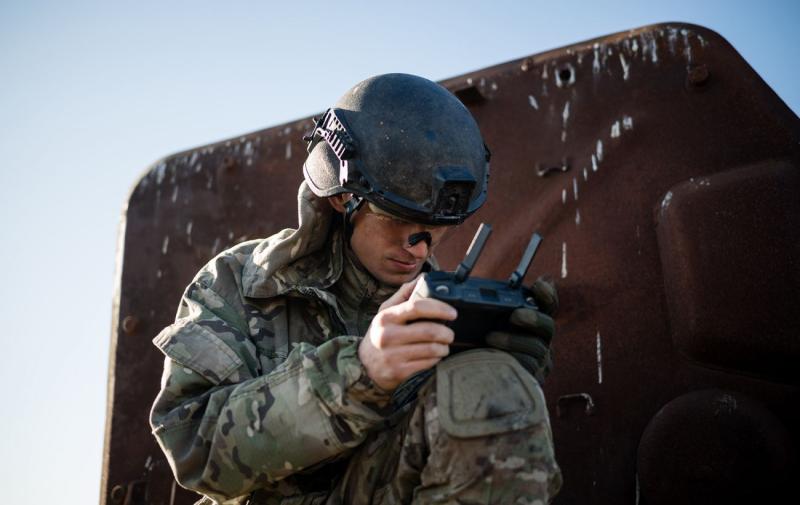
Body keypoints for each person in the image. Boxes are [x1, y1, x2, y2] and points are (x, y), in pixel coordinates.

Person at [150, 73, 562, 505]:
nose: (418, 246)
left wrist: (503, 375)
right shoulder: (243, 283)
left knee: (487, 385)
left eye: (437, 228)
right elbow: (193, 448)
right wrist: (361, 372)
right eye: (396, 219)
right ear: (341, 198)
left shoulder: (440, 309)